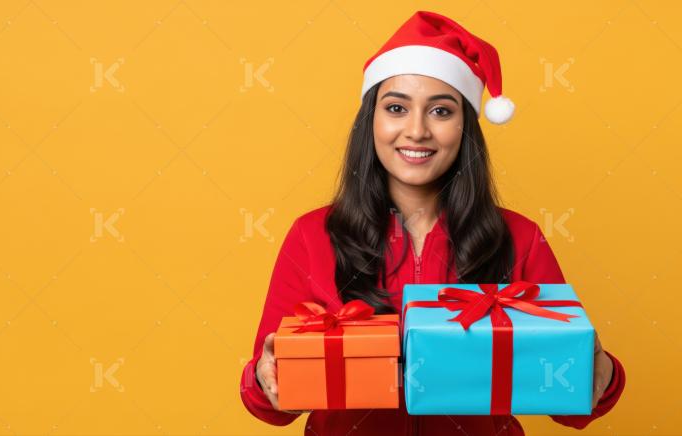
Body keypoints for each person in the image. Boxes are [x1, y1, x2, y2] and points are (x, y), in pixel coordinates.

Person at [239, 10, 625, 435]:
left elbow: (573, 409)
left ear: (465, 128)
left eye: (440, 111)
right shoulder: (313, 235)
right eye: (396, 108)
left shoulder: (520, 237)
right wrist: (265, 375)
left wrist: (599, 373)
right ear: (372, 121)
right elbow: (270, 409)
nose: (417, 130)